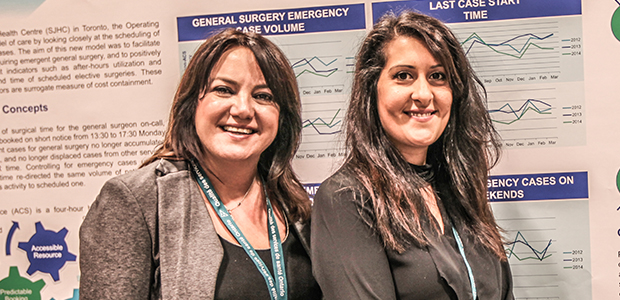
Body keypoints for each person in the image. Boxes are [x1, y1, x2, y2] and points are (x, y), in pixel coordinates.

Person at [80, 28, 322, 299]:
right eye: (224, 90)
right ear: (192, 103)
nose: (243, 109)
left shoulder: (296, 206)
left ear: (282, 116)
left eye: (263, 96)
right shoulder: (137, 202)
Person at [311, 11, 514, 300]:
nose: (423, 93)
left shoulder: (461, 187)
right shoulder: (347, 198)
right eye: (403, 76)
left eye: (437, 76)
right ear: (372, 89)